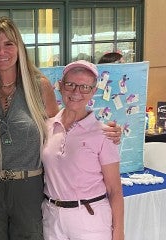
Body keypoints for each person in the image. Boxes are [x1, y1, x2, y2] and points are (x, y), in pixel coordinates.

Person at [0, 16, 122, 240]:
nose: (1, 51)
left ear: (20, 48)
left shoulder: (39, 86)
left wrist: (103, 131)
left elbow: (61, 127)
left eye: (8, 44)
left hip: (28, 186)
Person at [41, 60, 124, 240]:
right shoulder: (46, 127)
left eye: (85, 87)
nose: (76, 92)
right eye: (70, 85)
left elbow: (114, 189)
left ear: (93, 91)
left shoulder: (104, 134)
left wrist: (118, 232)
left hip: (90, 218)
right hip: (52, 217)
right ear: (61, 87)